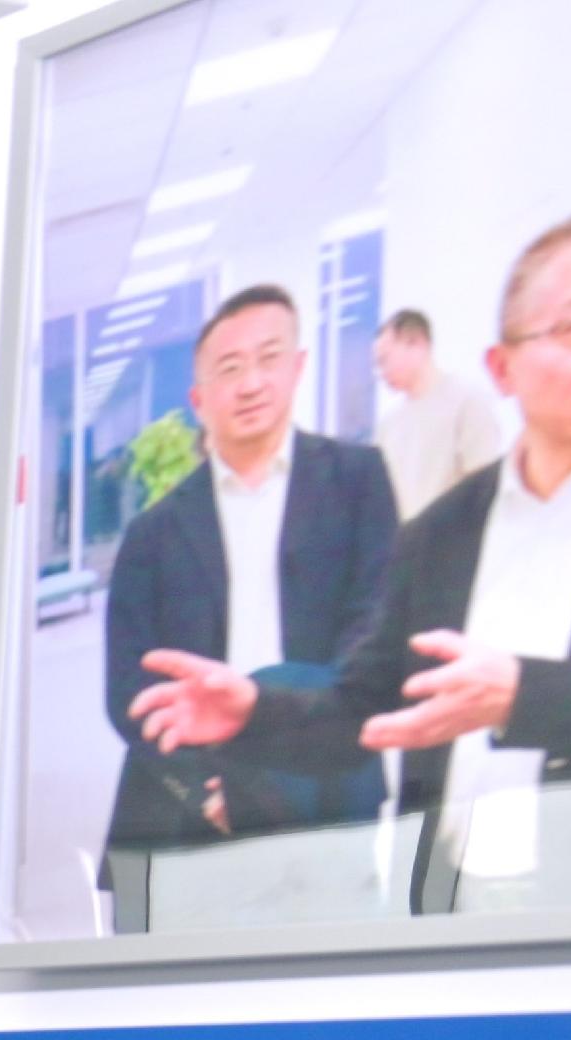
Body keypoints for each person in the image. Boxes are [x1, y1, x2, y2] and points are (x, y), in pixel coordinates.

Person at [128, 210, 571, 860]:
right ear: (504, 367)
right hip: (457, 897)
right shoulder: (443, 533)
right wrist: (254, 713)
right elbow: (367, 706)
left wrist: (520, 697)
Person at [99, 286, 401, 857]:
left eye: (269, 359)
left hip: (328, 783)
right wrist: (207, 787)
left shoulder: (358, 481)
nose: (251, 383)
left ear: (299, 366)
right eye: (229, 369)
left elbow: (377, 630)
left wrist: (312, 740)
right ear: (199, 397)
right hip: (194, 809)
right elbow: (128, 690)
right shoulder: (152, 534)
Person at [372, 308, 506, 520]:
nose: (381, 372)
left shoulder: (468, 399)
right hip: (404, 547)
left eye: (384, 360)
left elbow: (484, 487)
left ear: (416, 343)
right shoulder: (388, 424)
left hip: (454, 544)